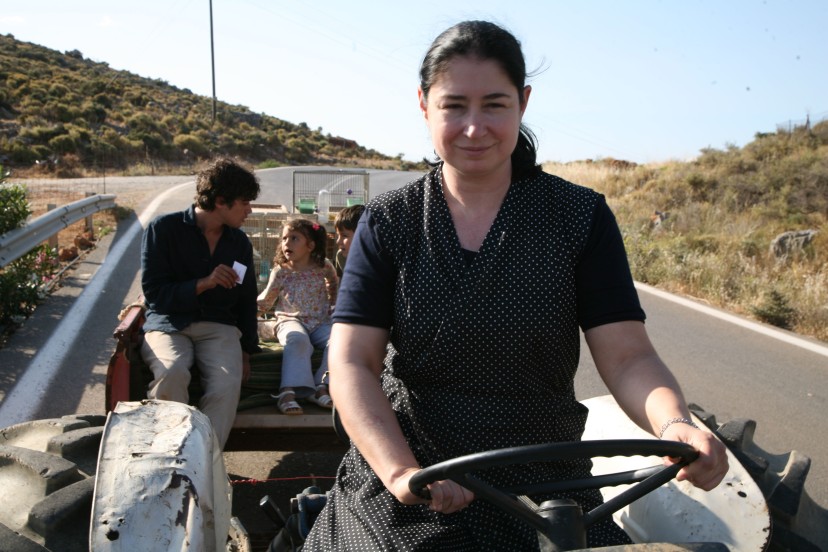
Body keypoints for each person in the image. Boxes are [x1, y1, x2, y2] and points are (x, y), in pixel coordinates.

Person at [304, 20, 729, 550]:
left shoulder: (579, 216)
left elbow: (628, 358)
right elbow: (351, 363)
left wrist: (674, 425)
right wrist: (398, 472)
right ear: (423, 105)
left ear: (523, 102)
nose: (474, 127)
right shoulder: (391, 221)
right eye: (454, 105)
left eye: (495, 105)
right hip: (419, 473)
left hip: (548, 477)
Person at [140, 157, 261, 449]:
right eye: (244, 202)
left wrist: (245, 351)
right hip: (169, 324)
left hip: (219, 326)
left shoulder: (239, 243)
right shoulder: (163, 229)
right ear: (221, 201)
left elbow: (246, 298)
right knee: (172, 372)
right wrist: (203, 283)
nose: (250, 210)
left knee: (226, 384)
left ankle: (204, 464)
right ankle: (169, 455)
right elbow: (154, 293)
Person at [257, 219, 339, 415]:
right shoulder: (281, 271)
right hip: (290, 320)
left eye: (294, 238)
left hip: (319, 321)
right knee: (298, 340)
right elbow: (267, 299)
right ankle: (288, 392)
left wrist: (333, 304)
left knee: (337, 341)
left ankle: (321, 386)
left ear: (310, 246)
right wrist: (249, 315)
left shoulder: (324, 266)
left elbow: (334, 285)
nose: (286, 243)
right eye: (284, 238)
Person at [333, 204, 366, 279]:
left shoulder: (377, 262)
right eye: (338, 236)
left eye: (344, 236)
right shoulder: (341, 256)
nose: (338, 242)